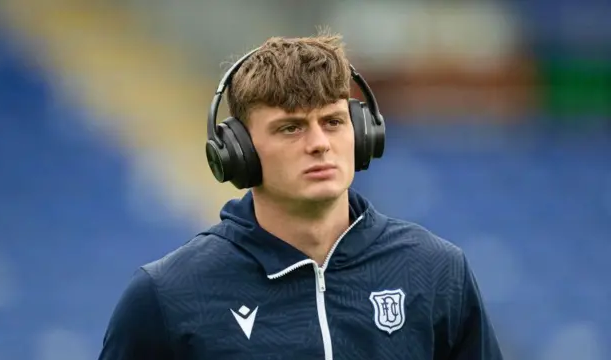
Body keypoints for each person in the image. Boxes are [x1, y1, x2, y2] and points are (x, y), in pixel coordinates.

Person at [98, 32, 503, 360]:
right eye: (290, 128)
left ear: (362, 135)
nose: (319, 143)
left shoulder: (435, 271)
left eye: (332, 122)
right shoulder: (169, 294)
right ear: (240, 151)